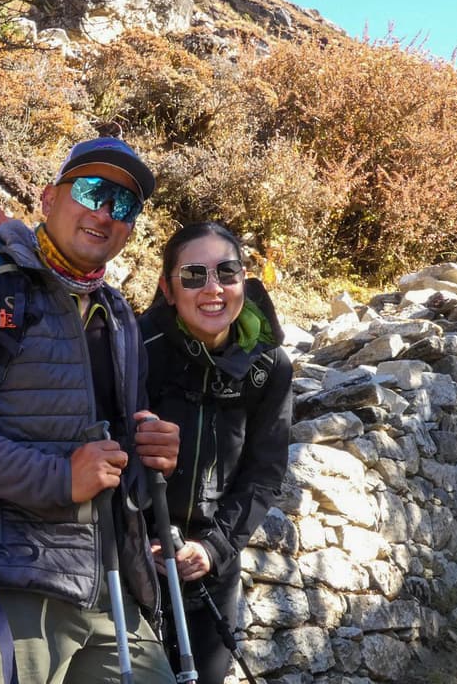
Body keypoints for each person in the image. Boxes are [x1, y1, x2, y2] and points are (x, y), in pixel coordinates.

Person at [0, 136, 182, 684]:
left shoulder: (119, 314)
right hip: (5, 579)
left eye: (124, 205)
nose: (105, 213)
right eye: (91, 191)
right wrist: (61, 478)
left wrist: (151, 449)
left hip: (109, 583)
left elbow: (113, 446)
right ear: (47, 198)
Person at [139, 222, 294, 684]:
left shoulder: (268, 366)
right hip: (135, 561)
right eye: (193, 276)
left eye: (227, 273)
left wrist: (213, 548)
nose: (213, 288)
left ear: (244, 280)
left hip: (210, 563)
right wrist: (136, 537)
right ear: (168, 288)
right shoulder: (134, 350)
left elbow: (264, 470)